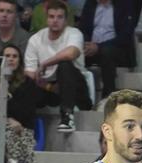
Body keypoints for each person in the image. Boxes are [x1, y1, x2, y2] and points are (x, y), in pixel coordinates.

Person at [24, 0, 92, 132]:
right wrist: (49, 87)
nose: (55, 20)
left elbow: (71, 54)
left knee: (65, 65)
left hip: (76, 87)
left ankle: (67, 117)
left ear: (66, 20)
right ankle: (25, 126)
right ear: (46, 19)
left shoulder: (74, 33)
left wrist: (45, 63)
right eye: (51, 17)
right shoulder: (36, 39)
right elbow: (30, 73)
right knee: (26, 84)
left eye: (60, 17)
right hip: (48, 87)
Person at [78, 0, 136, 101]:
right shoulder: (90, 4)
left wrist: (99, 47)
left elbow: (125, 36)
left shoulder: (124, 4)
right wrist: (86, 44)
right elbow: (83, 29)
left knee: (107, 52)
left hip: (117, 48)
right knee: (72, 52)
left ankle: (108, 98)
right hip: (91, 48)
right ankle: (80, 99)